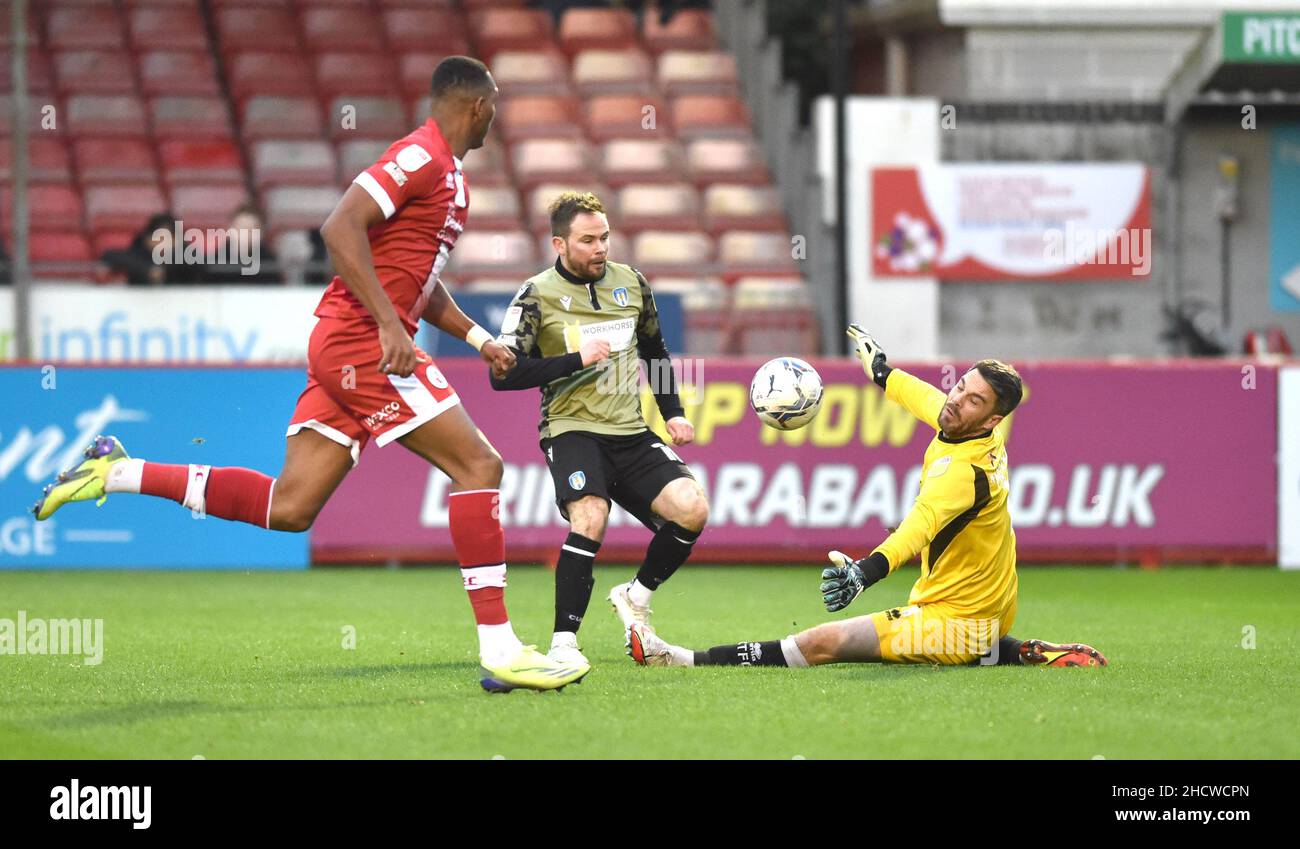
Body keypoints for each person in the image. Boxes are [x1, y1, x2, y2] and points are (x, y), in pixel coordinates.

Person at [31, 57, 589, 694]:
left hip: (353, 345)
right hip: (360, 344)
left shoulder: (451, 177)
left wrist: (478, 336)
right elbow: (339, 226)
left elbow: (417, 283)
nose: (497, 115)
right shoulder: (420, 157)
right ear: (473, 105)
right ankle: (501, 648)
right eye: (494, 104)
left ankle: (115, 470)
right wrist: (384, 325)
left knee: (289, 507)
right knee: (480, 467)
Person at [629, 325, 1108, 670]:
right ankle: (1021, 651)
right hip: (984, 609)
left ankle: (682, 660)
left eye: (973, 400)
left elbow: (915, 529)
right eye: (960, 386)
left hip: (958, 621)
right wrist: (884, 375)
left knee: (822, 643)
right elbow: (931, 403)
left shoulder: (963, 474)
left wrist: (866, 572)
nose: (956, 399)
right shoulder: (977, 433)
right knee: (928, 635)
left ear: (990, 420)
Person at [489, 191, 709, 667]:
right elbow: (502, 375)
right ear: (559, 244)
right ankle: (563, 644)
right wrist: (573, 361)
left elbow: (656, 351)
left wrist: (672, 411)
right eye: (587, 240)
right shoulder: (537, 294)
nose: (600, 248)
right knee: (589, 516)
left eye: (604, 237)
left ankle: (636, 597)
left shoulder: (632, 283)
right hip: (571, 429)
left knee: (692, 508)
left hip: (630, 431)